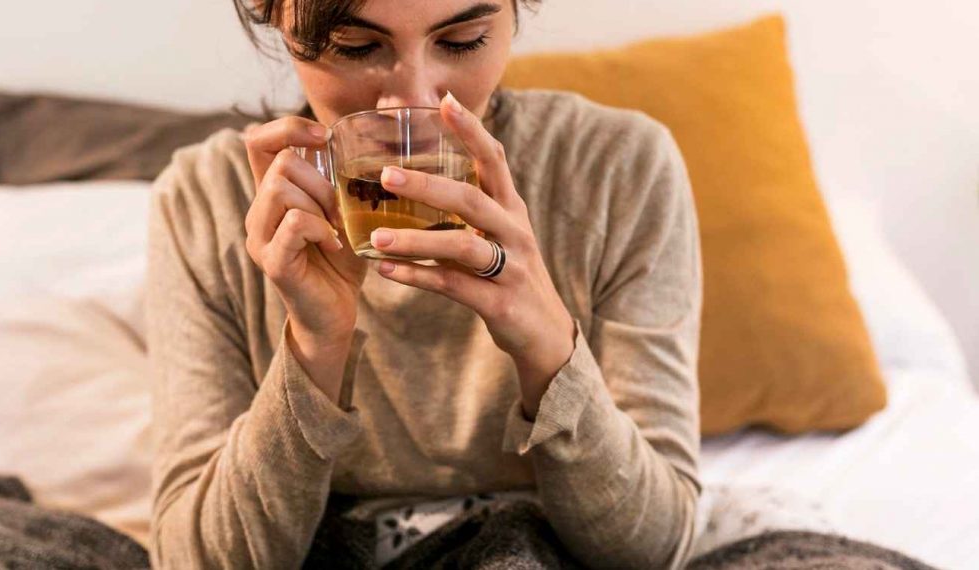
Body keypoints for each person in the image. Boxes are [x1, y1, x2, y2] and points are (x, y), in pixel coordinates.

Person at [145, 0, 703, 567]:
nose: (411, 103)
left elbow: (656, 549)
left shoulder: (617, 169)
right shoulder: (204, 200)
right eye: (355, 47)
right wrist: (315, 348)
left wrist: (551, 352)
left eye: (461, 41)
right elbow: (193, 560)